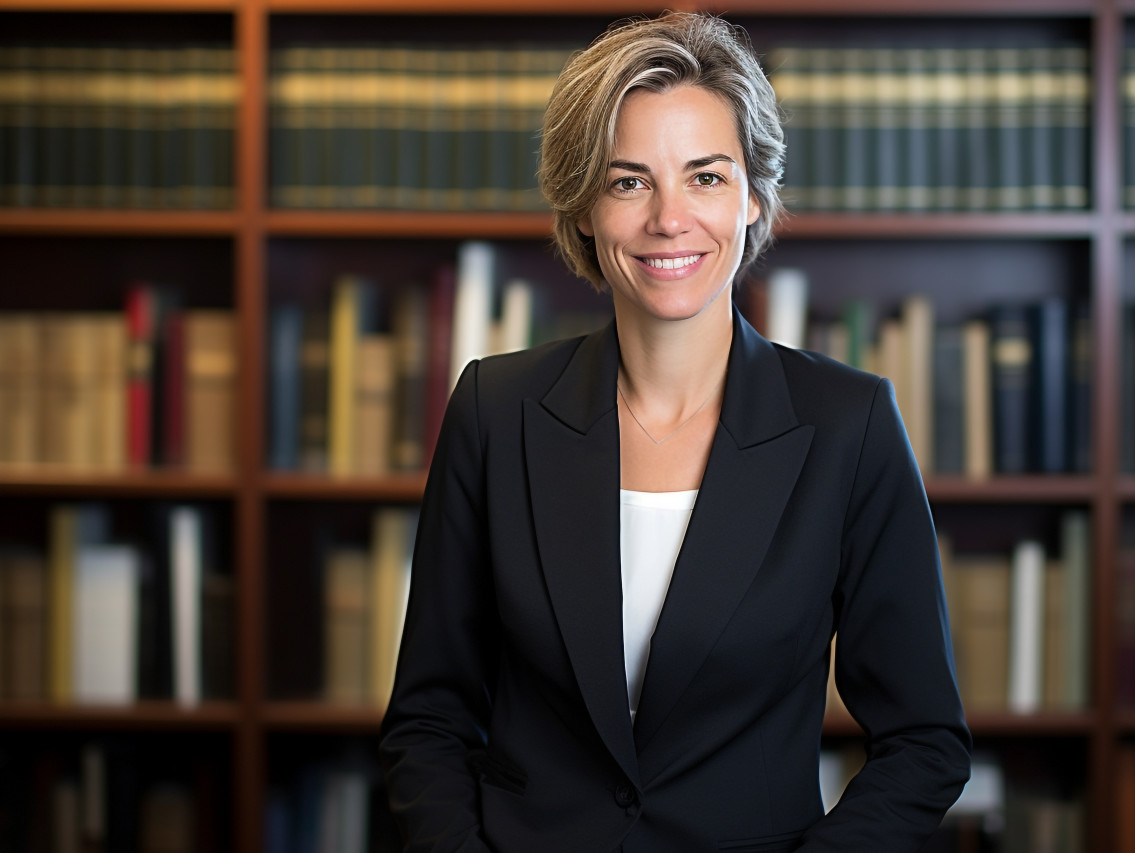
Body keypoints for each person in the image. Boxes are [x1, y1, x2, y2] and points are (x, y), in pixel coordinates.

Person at [380, 11, 971, 852]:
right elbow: (429, 719)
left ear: (752, 196)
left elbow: (924, 742)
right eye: (629, 182)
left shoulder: (851, 426)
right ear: (584, 208)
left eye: (706, 177)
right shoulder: (494, 411)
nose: (669, 218)